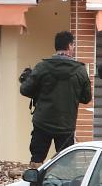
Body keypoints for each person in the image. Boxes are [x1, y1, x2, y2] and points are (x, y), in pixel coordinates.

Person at [20, 31, 92, 165]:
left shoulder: (42, 67)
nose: (74, 48)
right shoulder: (80, 71)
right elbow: (86, 98)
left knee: (37, 159)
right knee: (65, 163)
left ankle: (34, 177)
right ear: (69, 46)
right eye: (73, 45)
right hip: (66, 125)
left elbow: (25, 90)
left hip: (42, 122)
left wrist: (30, 82)